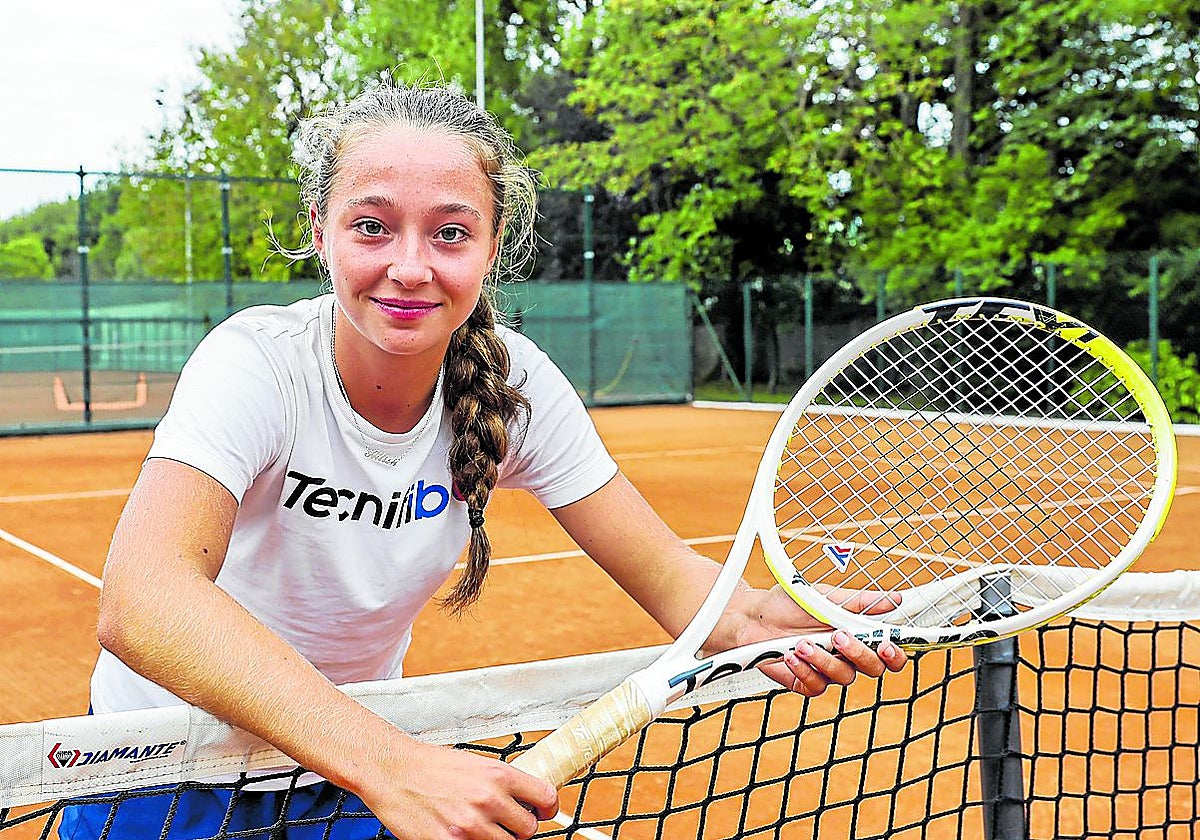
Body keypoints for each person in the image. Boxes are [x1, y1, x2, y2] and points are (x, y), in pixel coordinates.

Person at [63, 81, 907, 840]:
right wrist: (389, 763)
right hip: (163, 773)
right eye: (372, 225)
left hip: (340, 773)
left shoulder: (518, 383)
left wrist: (760, 624)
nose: (409, 266)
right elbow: (143, 600)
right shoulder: (258, 362)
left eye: (451, 233)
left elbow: (695, 601)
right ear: (319, 231)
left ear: (493, 244)